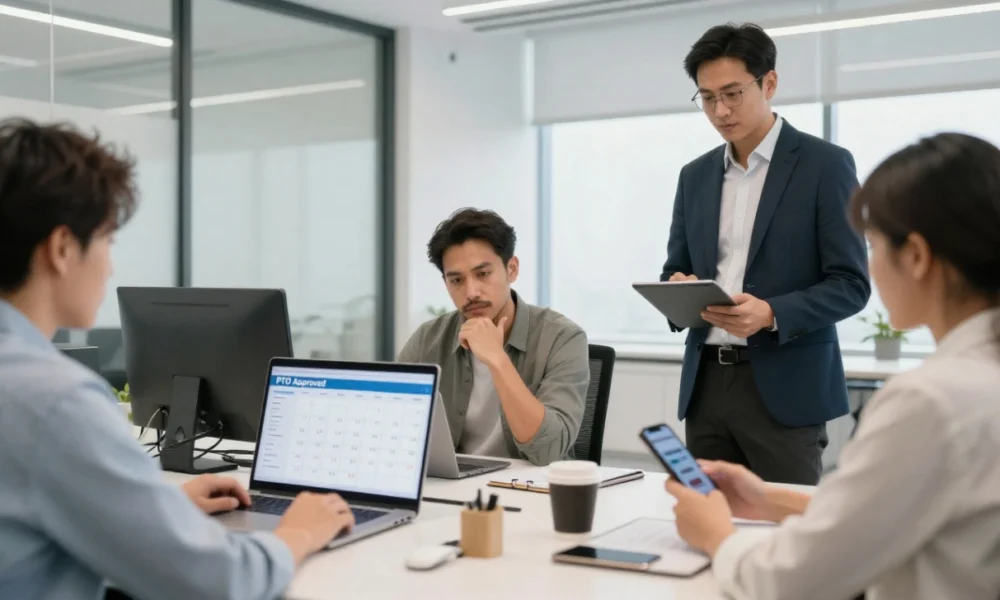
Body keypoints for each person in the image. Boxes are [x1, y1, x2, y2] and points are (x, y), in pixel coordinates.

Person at [0, 118, 355, 600]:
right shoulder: (55, 401)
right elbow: (218, 583)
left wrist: (154, 509)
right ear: (62, 248)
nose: (111, 264)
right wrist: (300, 533)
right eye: (108, 240)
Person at [665, 132, 1000, 600]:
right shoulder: (980, 379)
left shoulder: (930, 402)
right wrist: (771, 499)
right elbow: (883, 509)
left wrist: (716, 535)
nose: (870, 263)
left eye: (875, 245)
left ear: (918, 256)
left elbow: (794, 580)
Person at [659, 23, 870, 484]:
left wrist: (772, 312)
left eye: (732, 93)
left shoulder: (825, 166)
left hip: (785, 385)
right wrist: (679, 289)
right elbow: (677, 267)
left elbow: (852, 285)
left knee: (788, 535)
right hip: (707, 385)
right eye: (708, 97)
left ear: (769, 83)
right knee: (706, 527)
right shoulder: (694, 176)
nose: (720, 110)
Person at [398, 208, 589, 466]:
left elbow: (548, 451)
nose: (471, 292)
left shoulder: (563, 338)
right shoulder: (427, 339)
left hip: (532, 492)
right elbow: (393, 433)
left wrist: (497, 359)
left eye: (483, 274)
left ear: (512, 269)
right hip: (453, 489)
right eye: (456, 280)